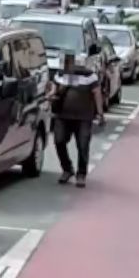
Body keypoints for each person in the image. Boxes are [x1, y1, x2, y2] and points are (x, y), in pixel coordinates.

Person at [50, 51, 104, 188]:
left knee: (83, 145)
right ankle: (67, 169)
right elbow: (54, 91)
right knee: (59, 140)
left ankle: (81, 174)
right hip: (63, 115)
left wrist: (100, 113)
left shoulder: (90, 76)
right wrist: (52, 95)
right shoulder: (61, 74)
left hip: (83, 117)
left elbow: (97, 93)